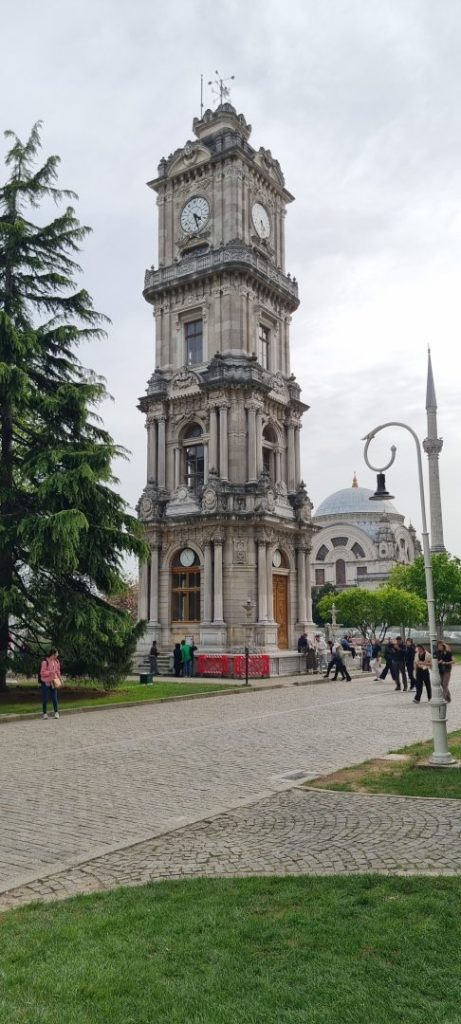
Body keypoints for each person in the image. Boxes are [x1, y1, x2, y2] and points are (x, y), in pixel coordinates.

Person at [39, 648, 62, 719]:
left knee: (54, 698)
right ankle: (45, 714)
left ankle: (56, 713)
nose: (58, 655)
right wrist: (50, 672)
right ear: (53, 654)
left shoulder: (57, 661)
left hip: (53, 682)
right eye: (57, 653)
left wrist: (60, 679)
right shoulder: (45, 662)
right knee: (45, 698)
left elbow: (58, 671)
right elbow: (42, 673)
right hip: (46, 682)